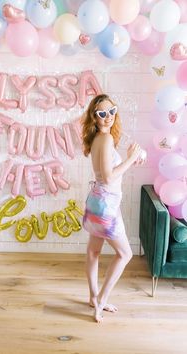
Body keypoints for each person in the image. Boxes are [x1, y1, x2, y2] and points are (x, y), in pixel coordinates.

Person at [82, 93, 144, 323]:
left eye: (111, 111)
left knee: (93, 252)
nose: (108, 117)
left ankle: (92, 296)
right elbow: (108, 178)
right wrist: (131, 158)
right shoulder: (106, 140)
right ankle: (101, 300)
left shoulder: (98, 139)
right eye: (101, 113)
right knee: (125, 253)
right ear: (94, 117)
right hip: (106, 205)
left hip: (96, 202)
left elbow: (104, 175)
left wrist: (129, 159)